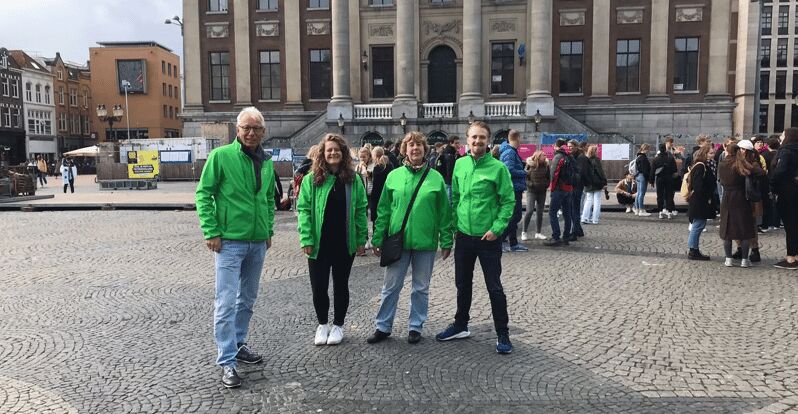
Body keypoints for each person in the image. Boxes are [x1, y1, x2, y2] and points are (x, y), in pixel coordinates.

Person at [195, 106, 275, 389]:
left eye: (256, 128)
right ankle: (227, 360)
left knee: (247, 299)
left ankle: (239, 343)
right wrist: (211, 231)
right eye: (246, 128)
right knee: (226, 302)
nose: (251, 133)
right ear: (237, 130)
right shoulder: (221, 156)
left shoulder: (266, 161)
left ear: (263, 132)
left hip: (257, 241)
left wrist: (268, 229)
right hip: (229, 241)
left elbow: (267, 199)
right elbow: (204, 194)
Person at [435, 121, 515, 354]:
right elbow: (455, 200)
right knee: (462, 285)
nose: (477, 141)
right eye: (473, 137)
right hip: (464, 237)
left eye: (482, 138)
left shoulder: (498, 168)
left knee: (494, 287)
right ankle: (461, 324)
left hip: (487, 238)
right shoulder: (459, 165)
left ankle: (503, 333)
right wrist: (451, 232)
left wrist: (497, 228)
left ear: (488, 141)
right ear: (467, 140)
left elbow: (508, 201)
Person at [367, 132, 453, 345]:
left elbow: (444, 212)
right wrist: (377, 237)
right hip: (398, 241)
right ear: (404, 150)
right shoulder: (393, 176)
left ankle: (416, 325)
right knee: (391, 287)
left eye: (419, 145)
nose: (415, 148)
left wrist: (447, 240)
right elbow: (384, 210)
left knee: (421, 287)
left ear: (425, 149)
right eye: (411, 145)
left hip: (426, 241)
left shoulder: (436, 178)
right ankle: (383, 326)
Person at [297, 134, 368, 346]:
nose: (333, 153)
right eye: (329, 150)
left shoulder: (353, 179)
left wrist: (361, 238)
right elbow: (303, 210)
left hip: (344, 243)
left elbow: (361, 210)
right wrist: (306, 238)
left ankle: (338, 324)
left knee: (341, 285)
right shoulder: (312, 179)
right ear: (322, 153)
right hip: (319, 243)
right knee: (318, 287)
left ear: (343, 153)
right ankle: (322, 324)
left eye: (337, 150)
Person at [718, 143, 761, 268]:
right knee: (745, 230)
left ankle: (728, 259)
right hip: (741, 198)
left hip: (727, 197)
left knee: (727, 230)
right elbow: (759, 172)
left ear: (727, 151)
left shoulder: (722, 164)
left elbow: (720, 180)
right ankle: (744, 260)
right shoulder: (742, 164)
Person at [770, 128, 798, 269]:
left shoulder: (786, 151)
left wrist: (772, 186)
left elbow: (779, 171)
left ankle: (791, 258)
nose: (781, 136)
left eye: (783, 134)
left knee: (790, 225)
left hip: (786, 192)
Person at [498, 130, 529, 252]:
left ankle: (513, 243)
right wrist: (524, 172)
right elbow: (508, 170)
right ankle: (499, 240)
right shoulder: (510, 152)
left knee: (514, 216)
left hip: (515, 187)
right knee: (514, 216)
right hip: (512, 188)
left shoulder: (511, 152)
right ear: (517, 138)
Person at [686, 144, 717, 260]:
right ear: (704, 154)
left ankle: (694, 249)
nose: (712, 155)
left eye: (713, 153)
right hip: (700, 201)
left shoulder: (702, 165)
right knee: (697, 225)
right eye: (710, 153)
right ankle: (693, 250)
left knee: (699, 225)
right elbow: (698, 186)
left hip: (700, 200)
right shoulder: (701, 166)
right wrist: (706, 197)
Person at [544, 139, 575, 246]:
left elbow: (553, 175)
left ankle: (555, 237)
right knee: (567, 213)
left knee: (552, 212)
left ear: (556, 146)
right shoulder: (570, 156)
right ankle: (566, 237)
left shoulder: (558, 157)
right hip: (569, 189)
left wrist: (551, 189)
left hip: (559, 189)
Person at [522, 150, 550, 241]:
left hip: (542, 191)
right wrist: (531, 184)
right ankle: (524, 232)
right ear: (538, 156)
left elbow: (548, 177)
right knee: (529, 211)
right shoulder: (530, 164)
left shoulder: (546, 165)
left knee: (540, 212)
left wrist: (546, 184)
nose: (545, 157)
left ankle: (538, 233)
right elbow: (525, 177)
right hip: (531, 191)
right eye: (543, 155)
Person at [580, 145, 607, 225]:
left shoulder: (585, 159)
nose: (598, 152)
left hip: (588, 183)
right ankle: (595, 219)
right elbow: (600, 172)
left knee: (588, 201)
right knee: (597, 201)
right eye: (597, 150)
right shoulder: (596, 160)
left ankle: (584, 218)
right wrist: (604, 182)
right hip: (597, 183)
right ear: (595, 151)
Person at [652, 143, 677, 219]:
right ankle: (669, 212)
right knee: (669, 195)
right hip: (669, 178)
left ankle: (660, 211)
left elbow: (652, 171)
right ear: (665, 149)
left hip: (659, 179)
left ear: (659, 149)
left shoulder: (655, 159)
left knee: (660, 195)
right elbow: (675, 169)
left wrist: (651, 181)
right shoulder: (670, 158)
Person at [370, 146, 392, 226]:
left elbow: (375, 188)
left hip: (378, 198)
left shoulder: (377, 168)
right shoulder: (390, 165)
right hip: (388, 197)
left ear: (374, 155)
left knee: (377, 223)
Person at [569, 140, 587, 237]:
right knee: (574, 208)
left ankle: (574, 232)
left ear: (576, 146)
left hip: (577, 186)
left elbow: (579, 174)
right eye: (568, 146)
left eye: (571, 146)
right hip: (574, 186)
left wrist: (569, 176)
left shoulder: (581, 158)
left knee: (574, 209)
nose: (569, 148)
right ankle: (579, 230)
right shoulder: (575, 156)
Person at [436, 136, 461, 200]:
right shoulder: (449, 155)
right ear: (451, 143)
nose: (458, 145)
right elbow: (450, 171)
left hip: (447, 181)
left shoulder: (450, 153)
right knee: (450, 200)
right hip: (449, 183)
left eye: (458, 143)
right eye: (456, 143)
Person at [632, 144, 652, 216]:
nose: (648, 151)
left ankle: (637, 209)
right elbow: (645, 170)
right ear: (646, 149)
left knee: (638, 193)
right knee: (641, 194)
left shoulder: (638, 156)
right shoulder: (643, 158)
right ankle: (641, 210)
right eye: (648, 149)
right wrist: (649, 179)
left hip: (637, 176)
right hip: (643, 176)